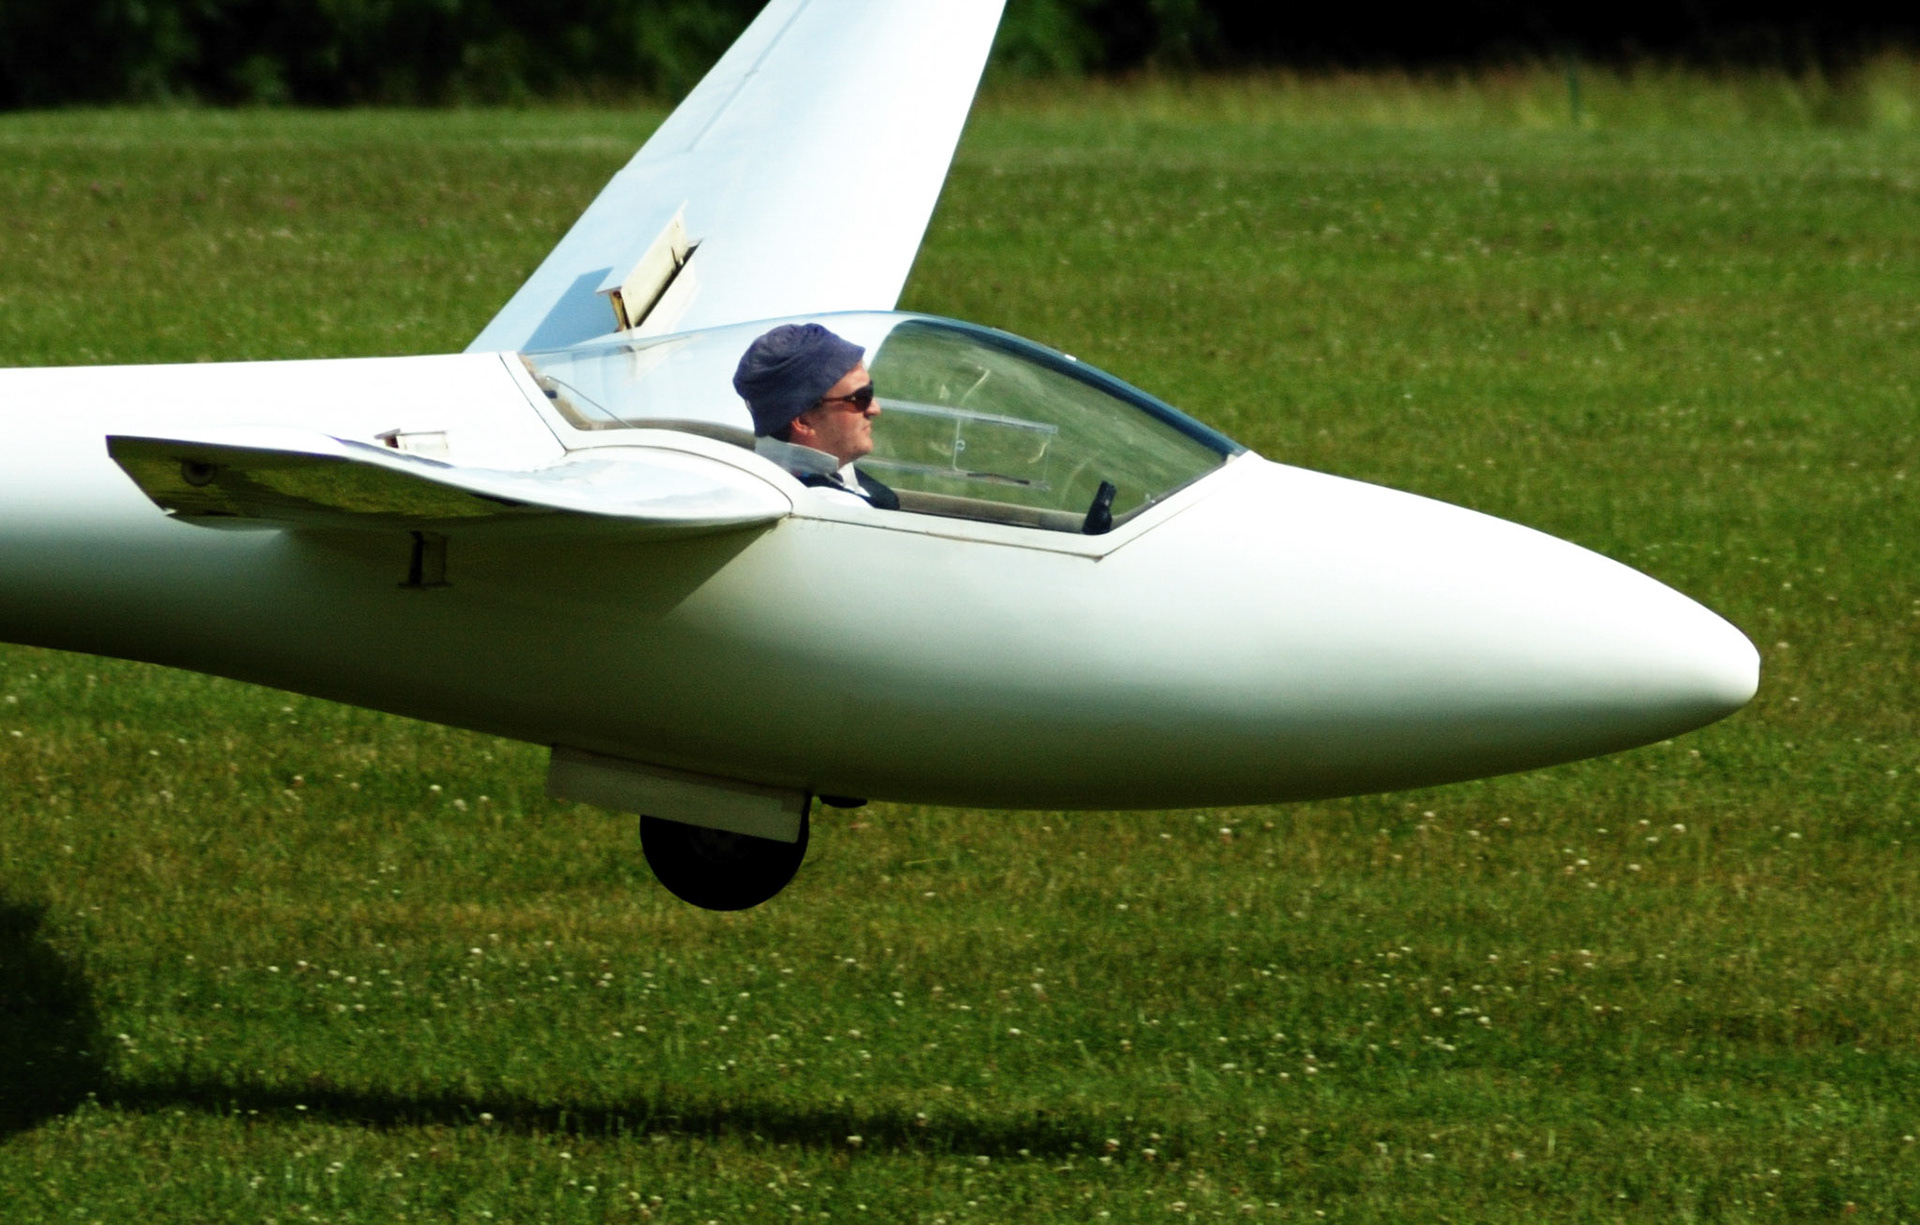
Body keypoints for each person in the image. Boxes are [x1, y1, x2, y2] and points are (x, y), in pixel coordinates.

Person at [732, 323, 899, 509]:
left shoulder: (749, 480)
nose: (875, 409)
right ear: (803, 420)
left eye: (871, 391)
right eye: (860, 398)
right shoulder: (835, 508)